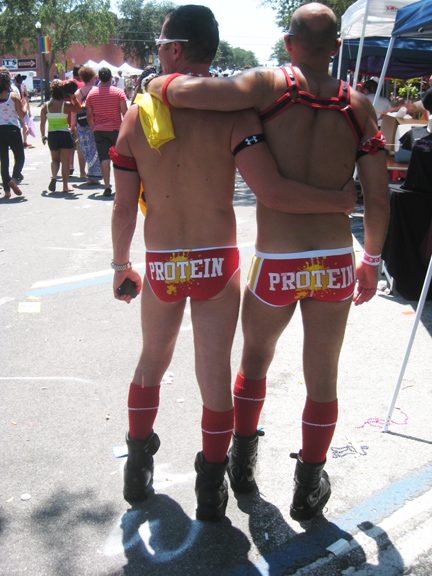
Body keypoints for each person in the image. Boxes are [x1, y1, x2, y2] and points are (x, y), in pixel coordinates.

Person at [111, 4, 358, 522]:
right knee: (215, 373)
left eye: (159, 45)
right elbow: (271, 189)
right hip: (216, 263)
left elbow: (123, 206)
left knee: (151, 362)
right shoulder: (235, 115)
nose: (158, 52)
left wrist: (120, 265)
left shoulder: (138, 113)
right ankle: (211, 488)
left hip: (163, 263)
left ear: (174, 49)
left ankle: (137, 467)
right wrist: (340, 200)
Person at [86, 67, 128, 196]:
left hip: (100, 130)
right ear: (111, 78)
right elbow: (125, 112)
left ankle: (107, 186)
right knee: (119, 158)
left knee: (104, 158)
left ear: (98, 78)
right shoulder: (118, 92)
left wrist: (93, 127)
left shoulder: (92, 94)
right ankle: (120, 186)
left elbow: (89, 114)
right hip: (116, 129)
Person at [40, 79, 82, 193]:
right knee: (65, 161)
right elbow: (78, 109)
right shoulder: (65, 105)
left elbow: (42, 123)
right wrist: (73, 97)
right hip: (64, 134)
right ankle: (65, 186)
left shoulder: (46, 106)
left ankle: (54, 177)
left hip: (52, 135)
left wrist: (43, 136)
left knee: (54, 160)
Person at [70, 66, 103, 185]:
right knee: (96, 148)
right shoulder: (96, 90)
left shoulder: (78, 93)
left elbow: (74, 110)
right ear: (92, 78)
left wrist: (72, 125)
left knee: (85, 148)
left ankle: (85, 172)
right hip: (95, 122)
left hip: (82, 123)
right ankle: (94, 174)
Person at [0, 67, 27, 197]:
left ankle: (6, 191)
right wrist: (25, 103)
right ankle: (14, 178)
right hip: (12, 129)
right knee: (19, 156)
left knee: (4, 161)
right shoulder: (14, 96)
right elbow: (22, 114)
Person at [14, 74, 32, 148]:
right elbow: (26, 99)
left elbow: (26, 98)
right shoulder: (21, 87)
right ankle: (24, 141)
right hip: (20, 108)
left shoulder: (13, 88)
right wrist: (29, 110)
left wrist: (29, 111)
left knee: (19, 126)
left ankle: (21, 142)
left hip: (16, 109)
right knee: (24, 125)